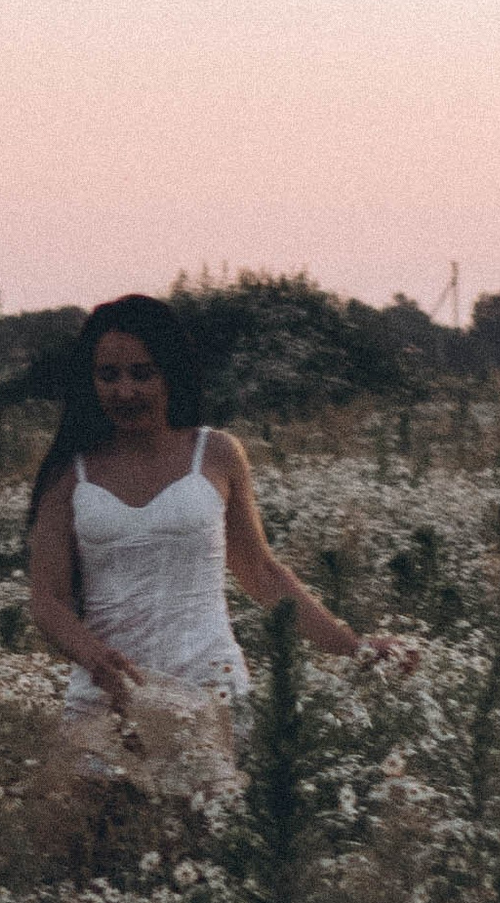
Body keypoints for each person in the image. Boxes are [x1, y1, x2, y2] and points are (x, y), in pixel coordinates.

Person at [25, 295, 413, 747]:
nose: (124, 391)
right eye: (108, 375)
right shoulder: (69, 473)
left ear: (170, 373)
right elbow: (47, 601)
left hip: (209, 689)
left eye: (142, 373)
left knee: (209, 793)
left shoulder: (217, 454)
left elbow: (262, 573)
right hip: (105, 700)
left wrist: (354, 648)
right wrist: (95, 658)